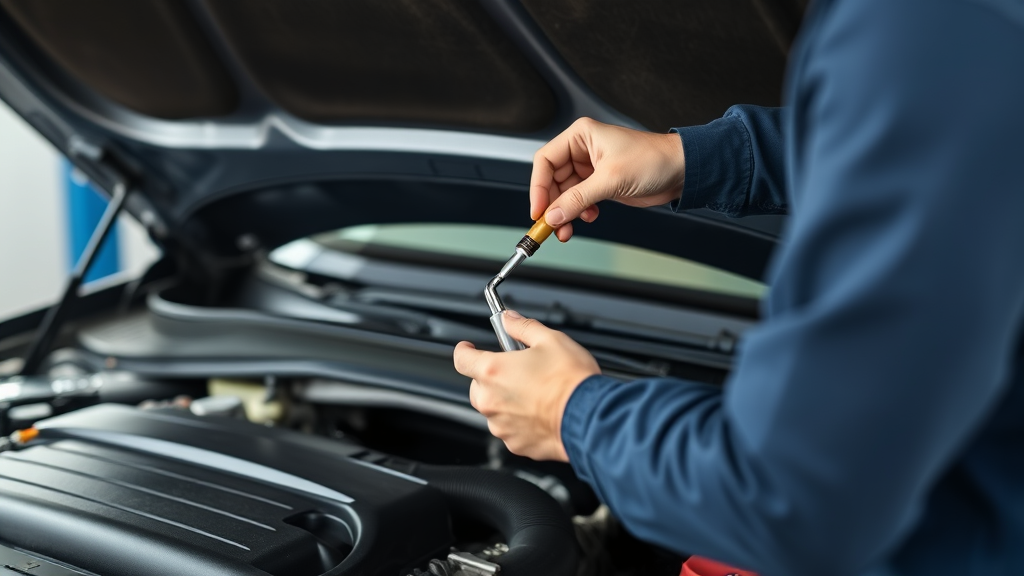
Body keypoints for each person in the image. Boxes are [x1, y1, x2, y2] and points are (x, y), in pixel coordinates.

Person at [453, 1, 1024, 575]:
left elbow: (789, 502)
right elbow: (909, 135)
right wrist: (694, 159)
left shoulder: (931, 24)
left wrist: (569, 413)